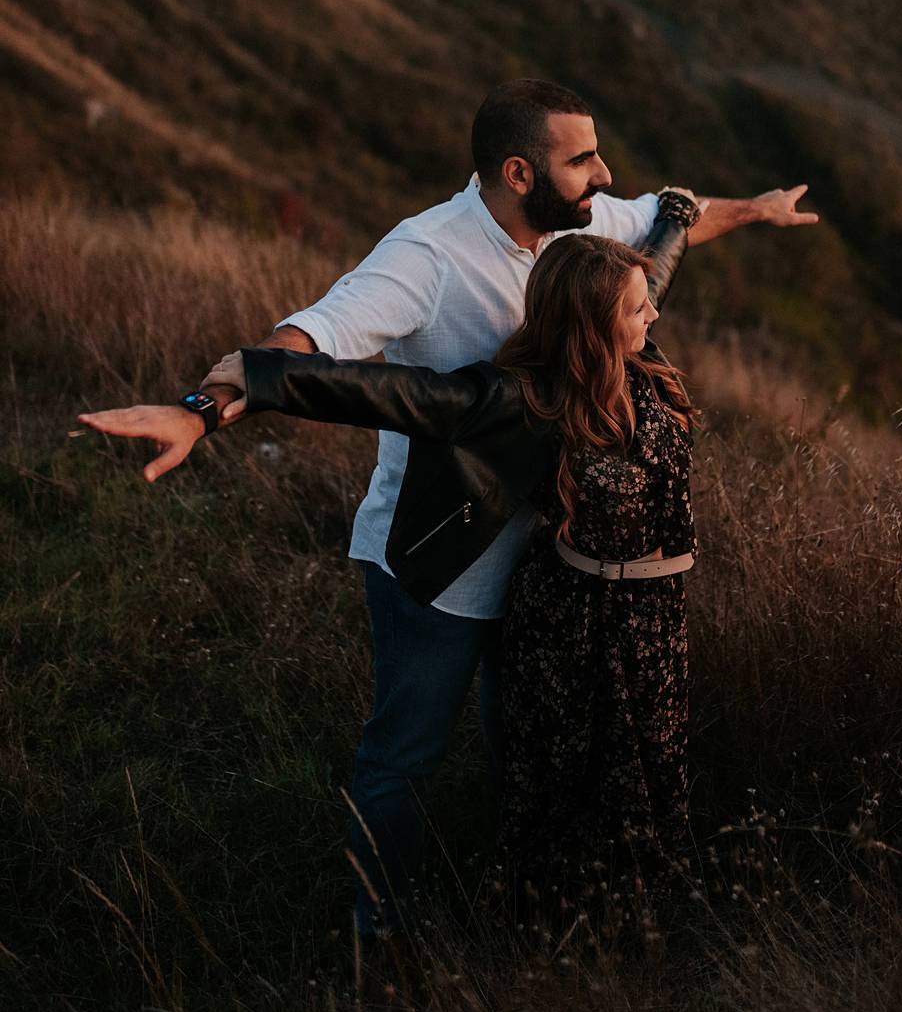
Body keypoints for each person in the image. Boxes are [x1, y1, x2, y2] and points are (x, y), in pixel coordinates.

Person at [77, 79, 817, 940]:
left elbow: (664, 223)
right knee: (405, 757)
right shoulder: (425, 256)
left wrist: (757, 210)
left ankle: (524, 905)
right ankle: (378, 933)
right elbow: (311, 344)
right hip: (437, 569)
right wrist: (201, 409)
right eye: (583, 160)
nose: (604, 174)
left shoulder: (578, 221)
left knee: (528, 748)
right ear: (517, 171)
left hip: (547, 570)